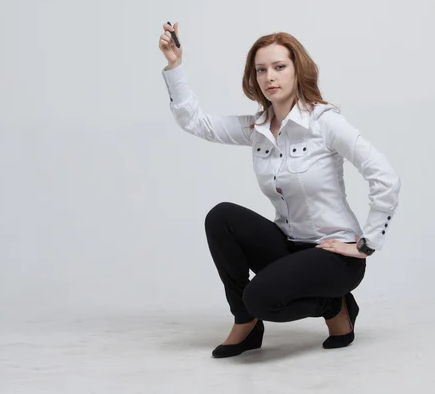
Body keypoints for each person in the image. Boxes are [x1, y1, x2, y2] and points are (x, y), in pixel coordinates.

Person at [158, 22, 400, 358]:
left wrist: (368, 243)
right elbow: (196, 122)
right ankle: (245, 321)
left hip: (333, 256)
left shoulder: (325, 122)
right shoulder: (257, 128)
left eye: (279, 67)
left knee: (261, 298)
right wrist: (174, 65)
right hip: (288, 246)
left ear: (297, 70)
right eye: (261, 70)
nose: (269, 76)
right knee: (222, 217)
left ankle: (335, 305)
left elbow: (384, 176)